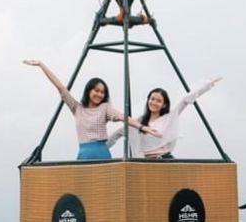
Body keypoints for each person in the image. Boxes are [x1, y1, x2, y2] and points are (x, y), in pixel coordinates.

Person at [23, 60, 160, 160]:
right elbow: (61, 88)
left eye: (102, 92)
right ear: (89, 91)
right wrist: (41, 65)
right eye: (96, 90)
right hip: (84, 153)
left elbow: (122, 116)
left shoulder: (104, 108)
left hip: (102, 153)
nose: (99, 94)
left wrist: (143, 127)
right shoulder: (77, 108)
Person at [109, 79, 221, 158]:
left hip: (163, 159)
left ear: (164, 105)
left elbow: (186, 99)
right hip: (143, 162)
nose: (154, 102)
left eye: (158, 101)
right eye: (152, 99)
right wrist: (101, 148)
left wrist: (209, 84)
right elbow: (117, 133)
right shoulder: (138, 122)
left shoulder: (168, 117)